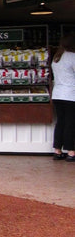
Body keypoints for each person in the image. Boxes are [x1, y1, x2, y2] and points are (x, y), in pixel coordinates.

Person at [51, 33, 75, 162]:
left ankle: (57, 150)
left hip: (57, 94)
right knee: (70, 123)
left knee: (60, 122)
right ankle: (71, 152)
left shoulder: (56, 58)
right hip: (71, 94)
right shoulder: (73, 57)